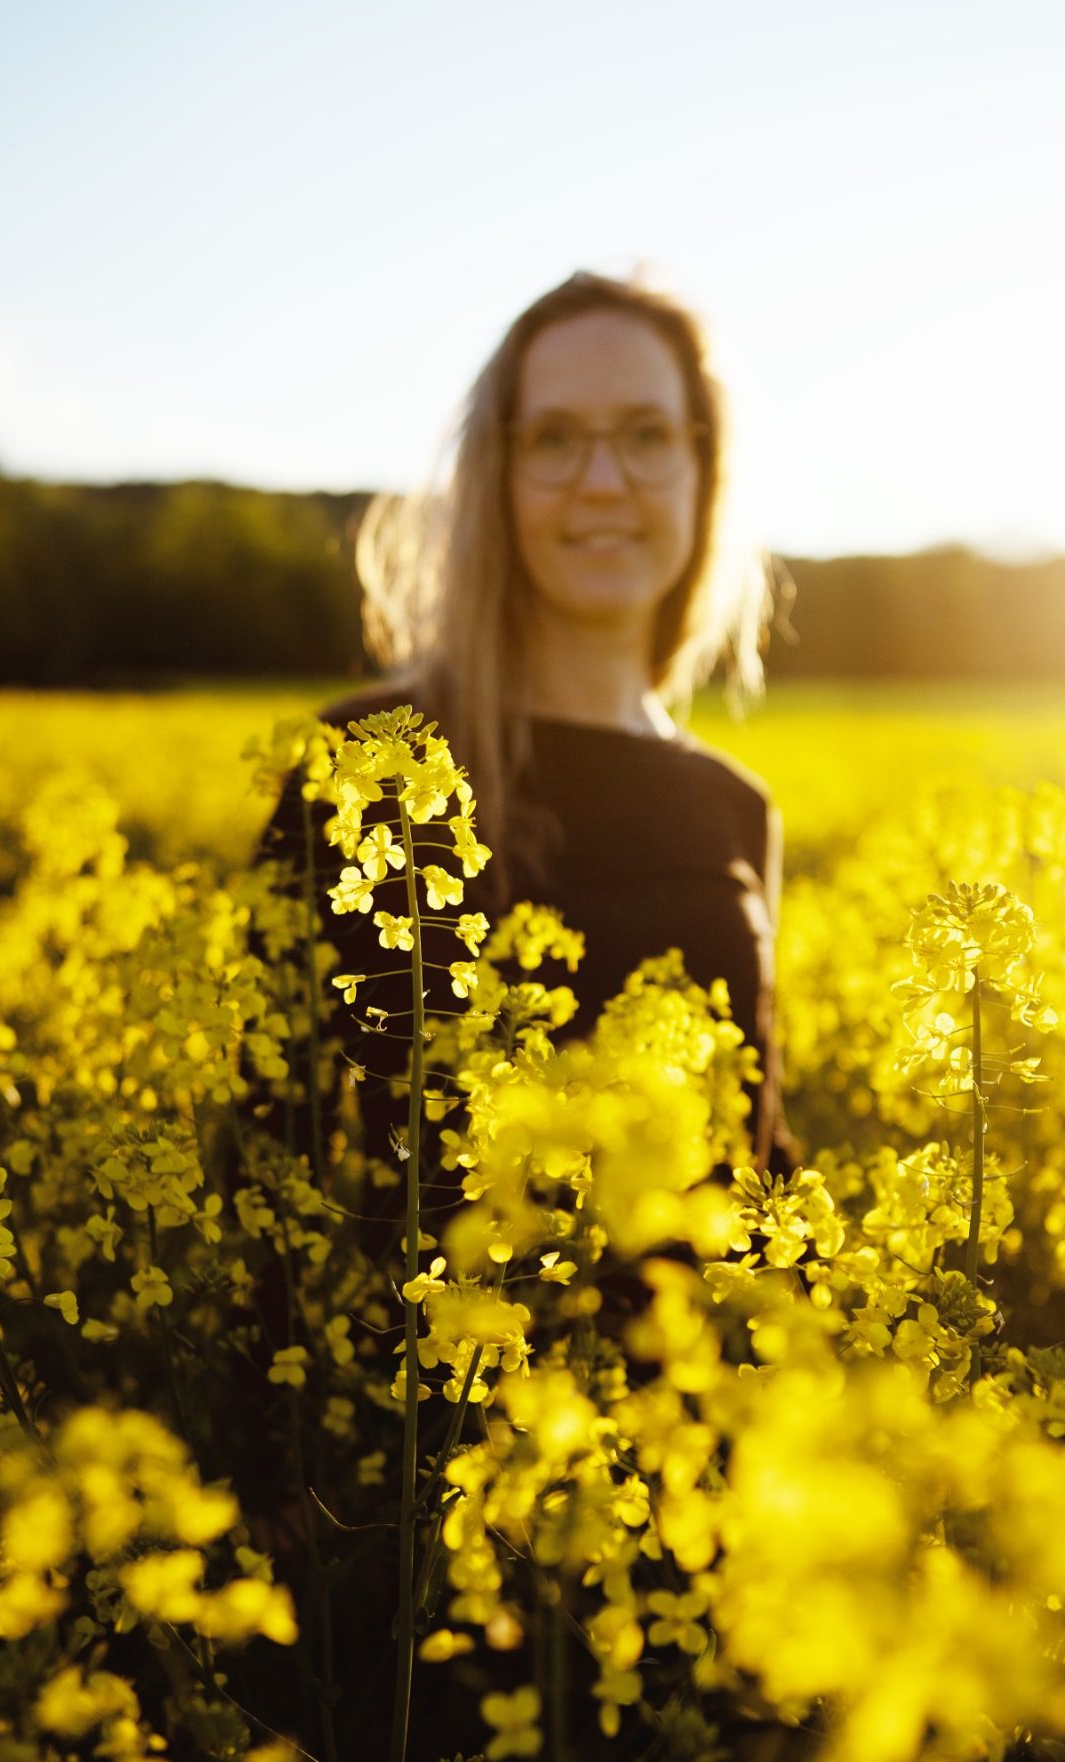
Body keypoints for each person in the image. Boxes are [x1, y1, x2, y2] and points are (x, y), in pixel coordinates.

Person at [261, 267, 794, 1203]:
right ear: (495, 475)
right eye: (553, 438)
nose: (601, 482)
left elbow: (757, 1160)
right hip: (436, 1347)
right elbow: (264, 1165)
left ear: (701, 468)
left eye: (645, 435)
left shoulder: (734, 808)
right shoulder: (364, 766)